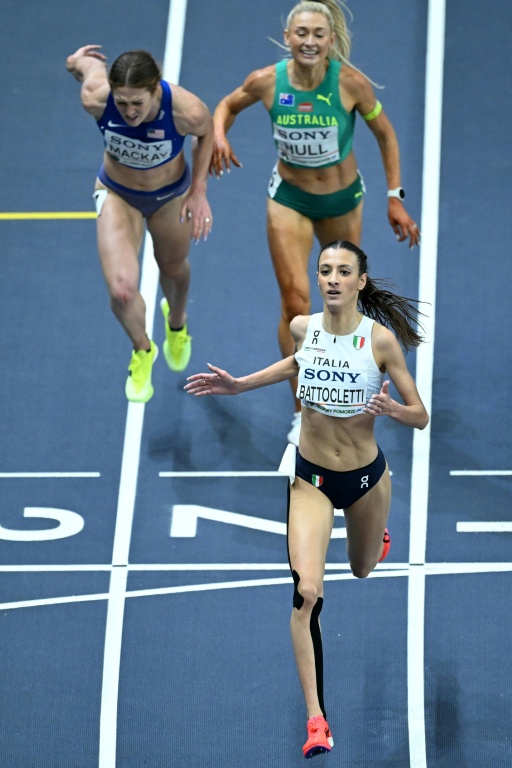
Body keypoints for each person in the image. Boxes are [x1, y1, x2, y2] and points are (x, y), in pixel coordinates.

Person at [185, 240, 428, 760]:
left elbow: (421, 414)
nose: (333, 279)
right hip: (311, 478)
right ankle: (317, 718)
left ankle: (376, 536)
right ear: (318, 279)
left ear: (361, 281)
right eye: (325, 270)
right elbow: (297, 364)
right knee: (308, 593)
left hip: (365, 479)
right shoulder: (304, 327)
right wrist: (239, 385)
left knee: (362, 570)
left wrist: (393, 409)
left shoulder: (381, 342)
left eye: (344, 271)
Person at [210, 0, 421, 445]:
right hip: (289, 200)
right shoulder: (267, 82)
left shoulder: (349, 84)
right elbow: (227, 105)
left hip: (343, 202)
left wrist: (394, 197)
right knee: (294, 304)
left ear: (330, 41)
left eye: (317, 34)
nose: (308, 41)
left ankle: (348, 392)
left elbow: (386, 134)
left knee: (341, 301)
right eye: (300, 33)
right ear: (288, 38)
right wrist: (219, 134)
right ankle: (302, 407)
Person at [66, 45, 214, 403]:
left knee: (174, 270)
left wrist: (199, 191)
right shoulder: (96, 98)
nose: (130, 112)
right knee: (121, 290)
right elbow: (80, 65)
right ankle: (142, 350)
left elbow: (206, 135)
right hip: (118, 195)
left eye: (138, 103)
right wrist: (77, 60)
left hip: (170, 197)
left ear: (155, 90)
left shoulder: (186, 110)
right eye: (123, 103)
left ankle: (176, 323)